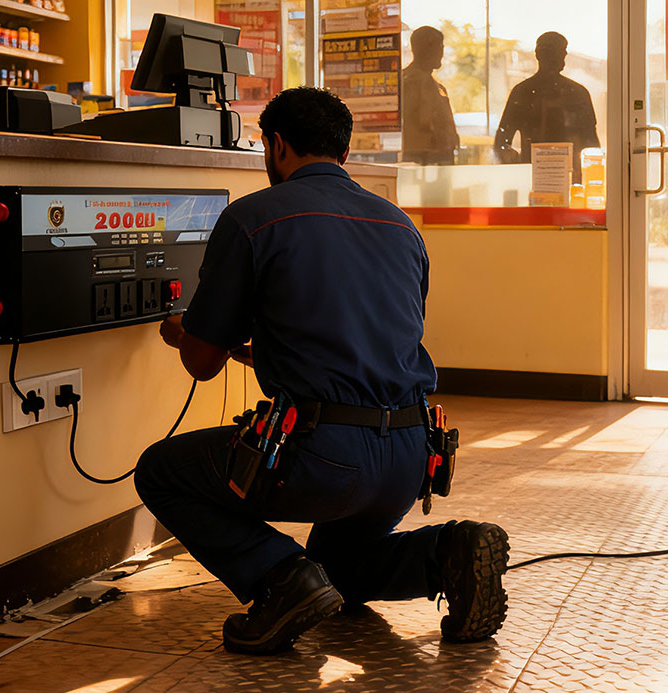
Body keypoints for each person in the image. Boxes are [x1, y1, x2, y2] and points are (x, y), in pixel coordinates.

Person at [134, 87, 509, 656]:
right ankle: (448, 553)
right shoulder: (401, 226)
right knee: (339, 569)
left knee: (161, 470)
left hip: (322, 457)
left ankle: (278, 578)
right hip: (410, 456)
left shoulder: (252, 218)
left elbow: (202, 364)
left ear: (277, 145)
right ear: (344, 148)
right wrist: (257, 349)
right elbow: (360, 345)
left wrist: (185, 332)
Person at [494, 31, 600, 182]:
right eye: (554, 51)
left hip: (567, 180)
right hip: (534, 179)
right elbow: (502, 143)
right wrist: (519, 167)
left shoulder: (577, 93)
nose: (559, 56)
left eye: (561, 51)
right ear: (539, 54)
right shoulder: (523, 93)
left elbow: (592, 146)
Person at [401, 26, 459, 165]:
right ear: (427, 48)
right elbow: (424, 123)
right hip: (423, 163)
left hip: (437, 162)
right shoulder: (411, 82)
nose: (442, 53)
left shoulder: (434, 84)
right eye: (440, 46)